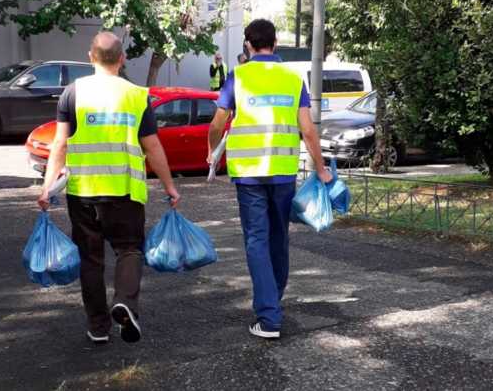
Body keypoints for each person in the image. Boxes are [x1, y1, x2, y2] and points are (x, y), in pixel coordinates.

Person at [37, 32, 180, 345]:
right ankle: (125, 304)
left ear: (91, 57)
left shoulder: (72, 93)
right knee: (129, 250)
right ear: (122, 59)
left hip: (83, 192)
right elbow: (152, 146)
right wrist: (169, 185)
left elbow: (60, 144)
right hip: (125, 192)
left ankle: (98, 327)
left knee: (91, 260)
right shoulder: (137, 95)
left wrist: (48, 188)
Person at [207, 19, 332, 340]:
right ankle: (271, 302)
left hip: (249, 175)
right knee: (278, 239)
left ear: (248, 45)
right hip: (282, 173)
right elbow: (307, 129)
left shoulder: (239, 77)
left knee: (256, 240)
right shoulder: (292, 80)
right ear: (275, 44)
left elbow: (218, 122)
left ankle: (269, 316)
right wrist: (320, 168)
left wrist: (212, 152)